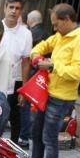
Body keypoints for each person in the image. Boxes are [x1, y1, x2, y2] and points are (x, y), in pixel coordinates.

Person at [13, 3, 80, 158]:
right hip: (46, 93)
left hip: (61, 98)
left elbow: (79, 72)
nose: (54, 28)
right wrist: (35, 56)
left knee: (49, 139)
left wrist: (52, 66)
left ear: (67, 20)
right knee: (36, 134)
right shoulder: (61, 35)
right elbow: (42, 45)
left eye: (56, 24)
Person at [1, 0, 32, 143]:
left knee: (15, 116)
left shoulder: (26, 34)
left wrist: (24, 90)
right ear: (5, 8)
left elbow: (26, 61)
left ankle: (12, 145)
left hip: (16, 80)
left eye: (17, 8)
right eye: (11, 7)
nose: (13, 11)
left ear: (21, 11)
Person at [19, 10, 49, 148]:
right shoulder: (47, 34)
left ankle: (24, 136)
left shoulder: (30, 34)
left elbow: (27, 57)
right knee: (37, 107)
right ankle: (30, 134)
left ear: (30, 20)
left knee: (25, 107)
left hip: (32, 74)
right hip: (43, 76)